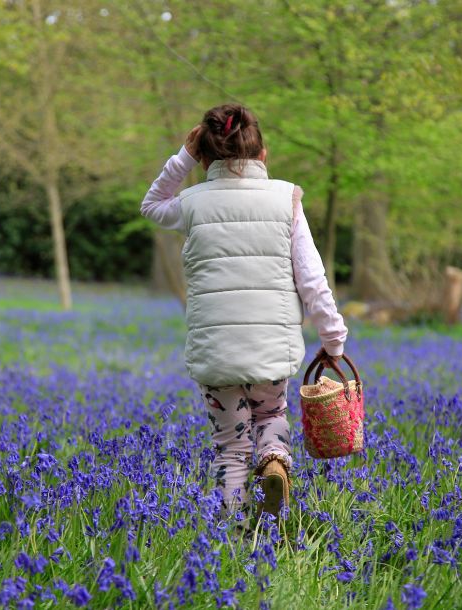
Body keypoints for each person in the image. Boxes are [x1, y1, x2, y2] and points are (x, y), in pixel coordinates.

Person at [140, 103, 348, 518]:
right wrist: (333, 339)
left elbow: (151, 204)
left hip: (215, 351)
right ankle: (273, 459)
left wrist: (183, 156)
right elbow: (311, 278)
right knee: (271, 413)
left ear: (203, 157)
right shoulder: (286, 198)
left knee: (230, 449)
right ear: (263, 155)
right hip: (271, 345)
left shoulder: (191, 203)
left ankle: (233, 534)